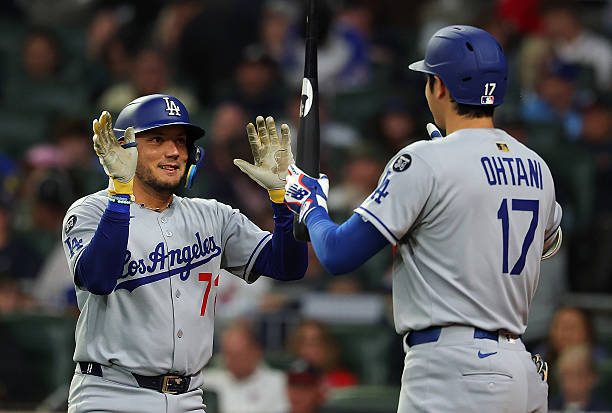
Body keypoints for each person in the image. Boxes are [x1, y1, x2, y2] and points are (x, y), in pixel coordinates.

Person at [283, 26, 563, 412]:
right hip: (518, 366)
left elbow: (337, 254)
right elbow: (547, 243)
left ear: (440, 86)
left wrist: (311, 205)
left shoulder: (425, 160)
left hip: (452, 368)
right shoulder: (537, 166)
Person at [62, 94, 307, 412]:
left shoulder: (214, 216)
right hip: (110, 394)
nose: (174, 151)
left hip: (189, 398)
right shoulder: (90, 210)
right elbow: (98, 278)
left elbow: (288, 267)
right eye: (158, 139)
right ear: (122, 150)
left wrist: (282, 198)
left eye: (181, 141)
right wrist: (120, 193)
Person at [204, 320, 289, 413]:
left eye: (239, 354)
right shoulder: (207, 381)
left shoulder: (279, 383)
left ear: (256, 352)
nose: (232, 361)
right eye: (228, 354)